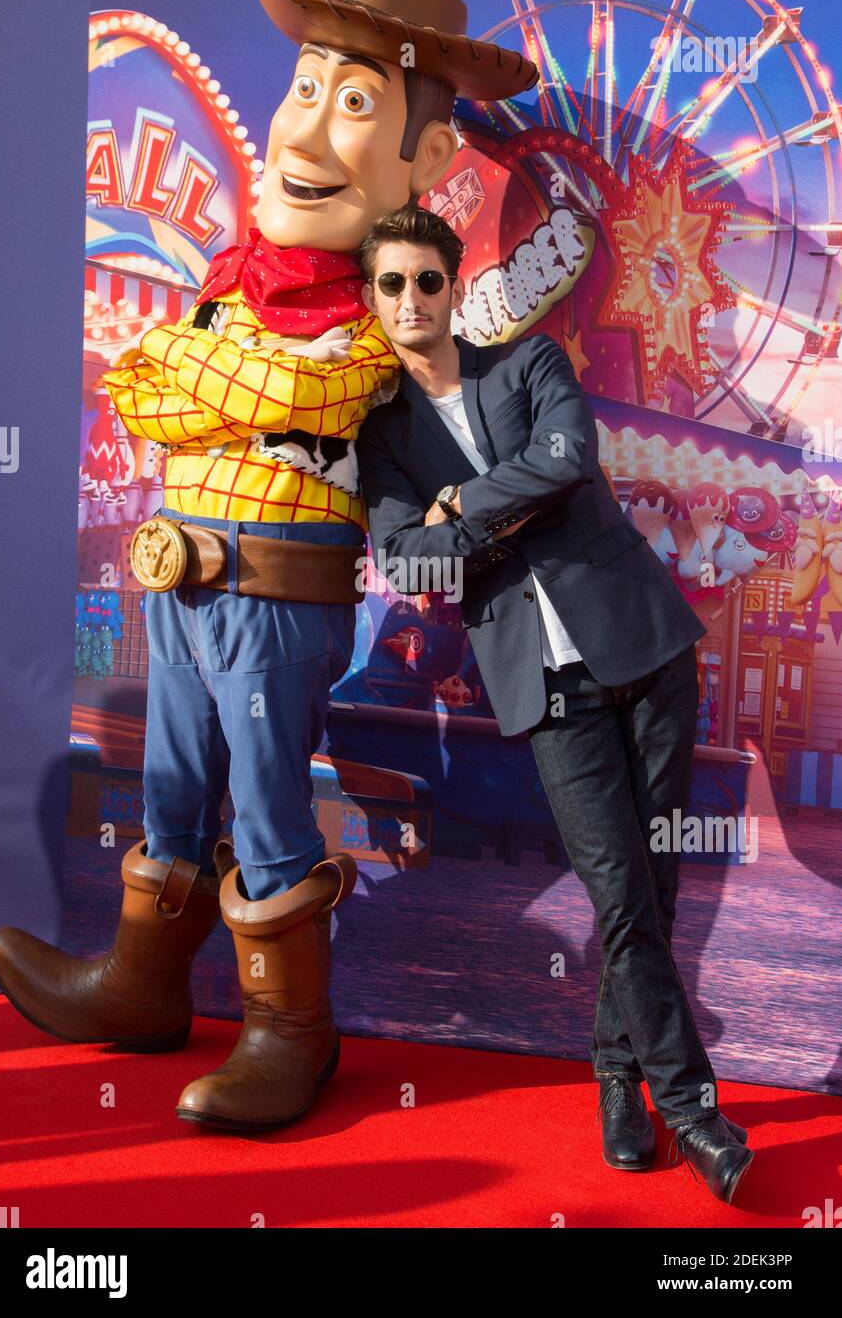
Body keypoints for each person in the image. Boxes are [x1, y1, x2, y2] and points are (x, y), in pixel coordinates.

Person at [0, 0, 537, 1134]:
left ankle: (294, 1029)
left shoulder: (384, 304)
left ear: (426, 162)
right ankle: (139, 989)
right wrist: (207, 375)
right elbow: (138, 388)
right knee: (169, 788)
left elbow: (303, 385)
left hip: (280, 594)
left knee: (271, 803)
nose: (310, 130)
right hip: (180, 584)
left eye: (355, 106)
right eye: (303, 89)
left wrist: (203, 373)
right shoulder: (232, 286)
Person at [353, 202, 754, 1205]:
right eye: (390, 283)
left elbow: (570, 460)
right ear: (372, 298)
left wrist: (465, 509)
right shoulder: (385, 438)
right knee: (618, 891)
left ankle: (617, 1074)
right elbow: (406, 557)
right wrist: (504, 499)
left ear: (453, 287)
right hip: (541, 679)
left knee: (653, 885)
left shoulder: (526, 365)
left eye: (427, 280)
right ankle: (692, 1107)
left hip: (645, 646)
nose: (410, 298)